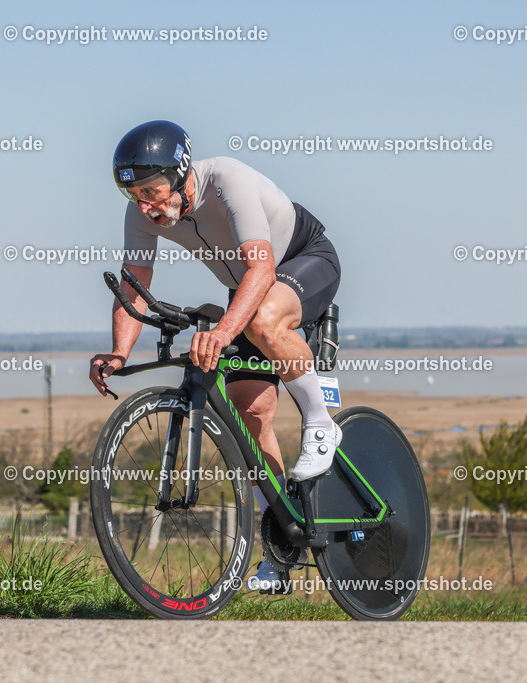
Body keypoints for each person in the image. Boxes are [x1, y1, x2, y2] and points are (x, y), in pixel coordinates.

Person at [89, 120, 341, 594]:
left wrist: (224, 332)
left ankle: (320, 419)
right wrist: (121, 352)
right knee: (251, 414)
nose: (146, 205)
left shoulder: (227, 179)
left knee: (264, 321)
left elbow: (261, 266)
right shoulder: (143, 213)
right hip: (245, 287)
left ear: (181, 173)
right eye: (134, 196)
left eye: (153, 191)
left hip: (300, 259)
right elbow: (134, 285)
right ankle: (281, 547)